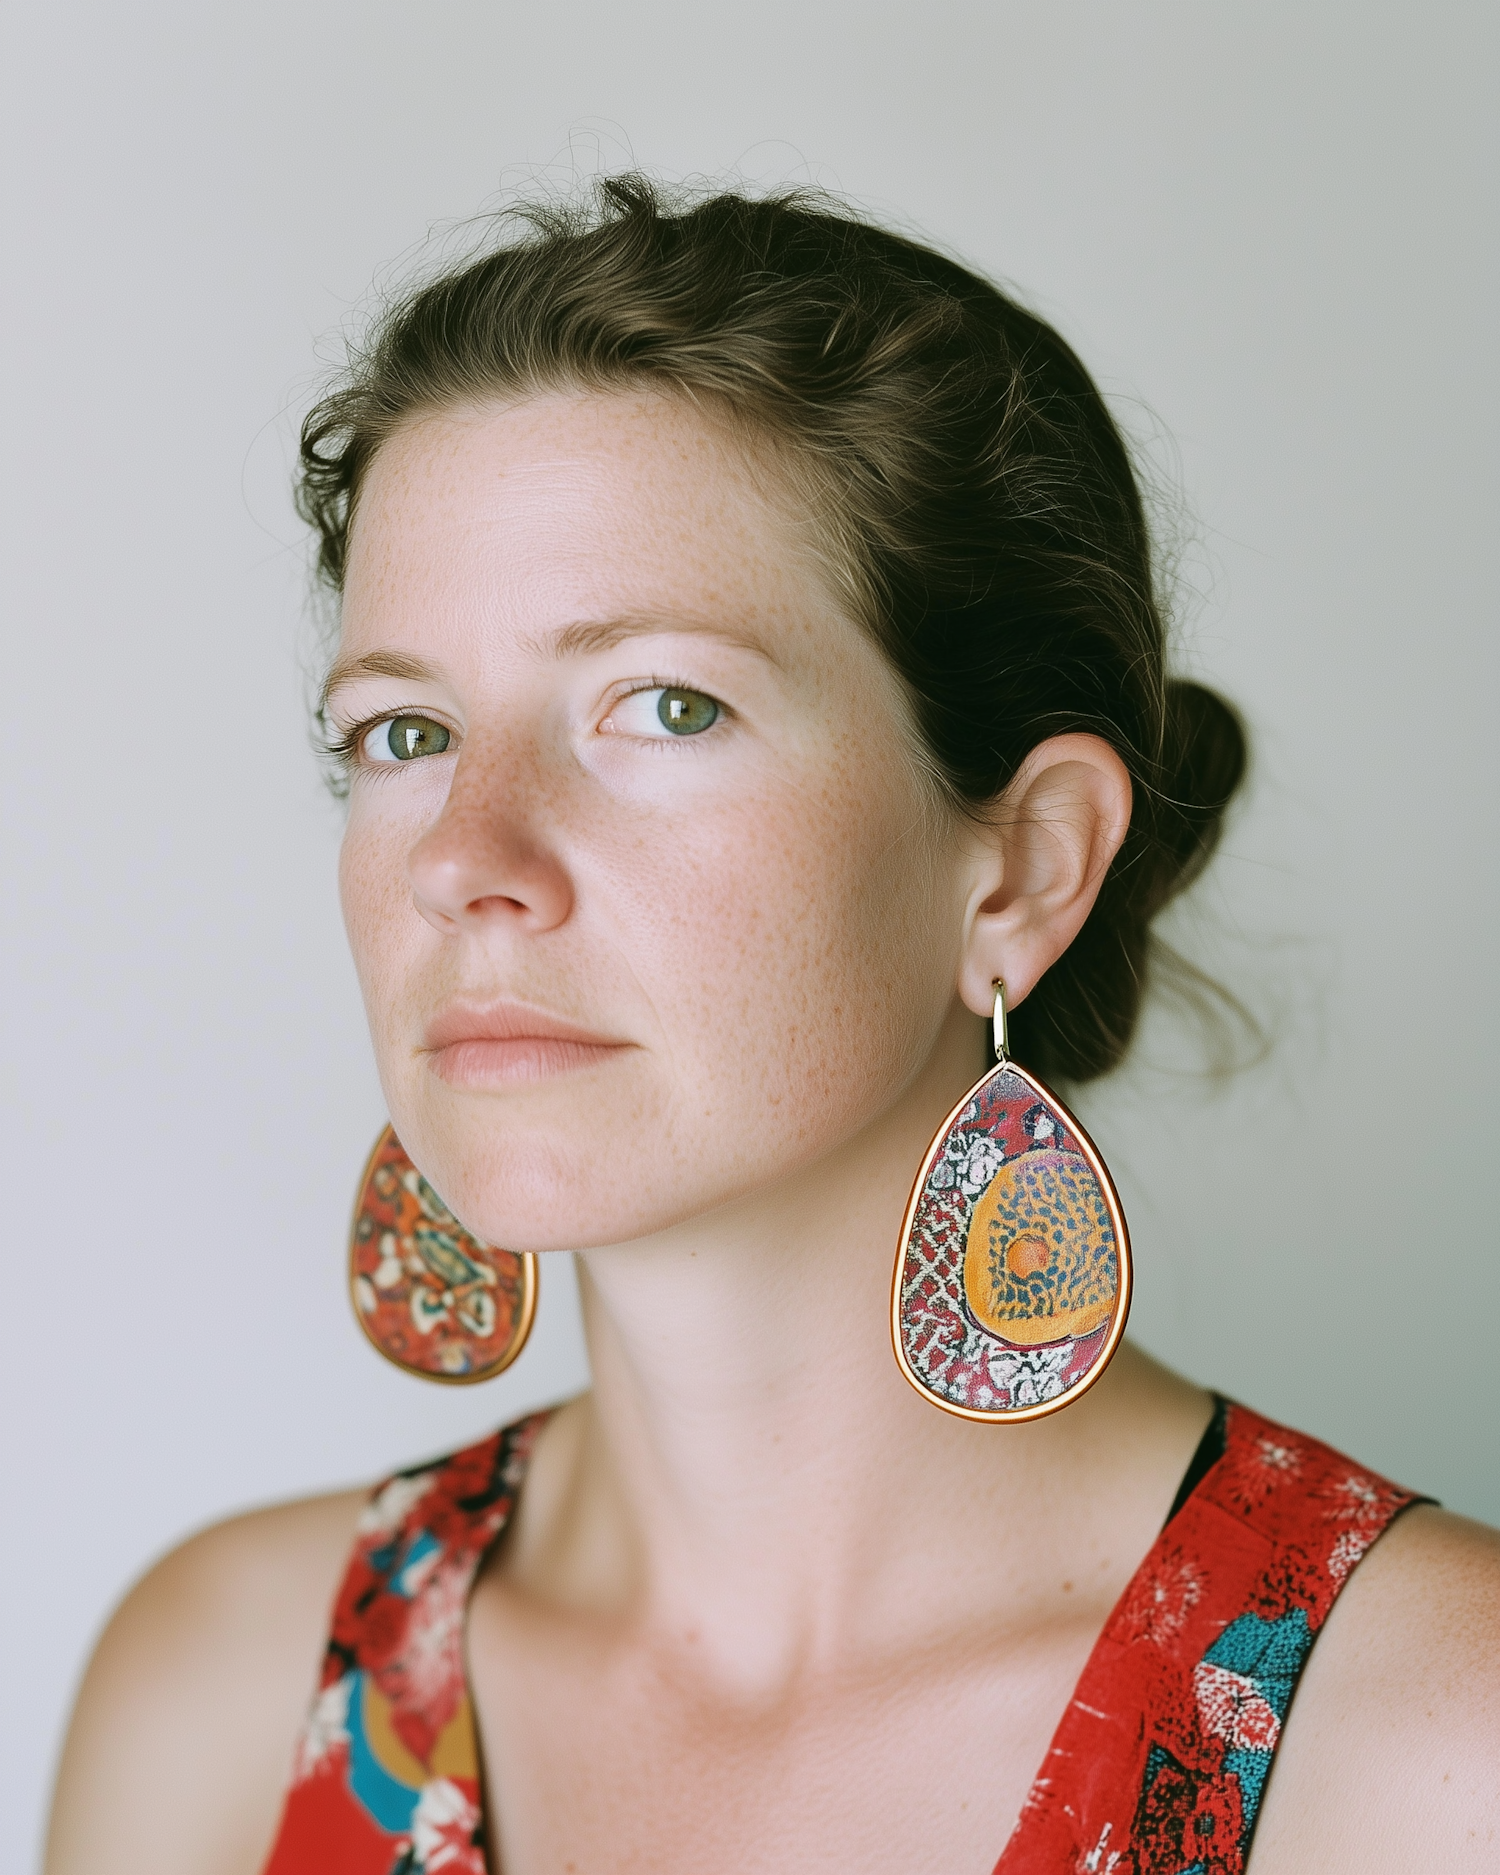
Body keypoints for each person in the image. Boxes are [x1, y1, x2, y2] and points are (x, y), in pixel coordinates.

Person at [45, 177, 1499, 1875]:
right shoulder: (216, 1695)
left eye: (664, 704)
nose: (464, 856)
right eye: (402, 730)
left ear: (1020, 869)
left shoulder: (1434, 1751)